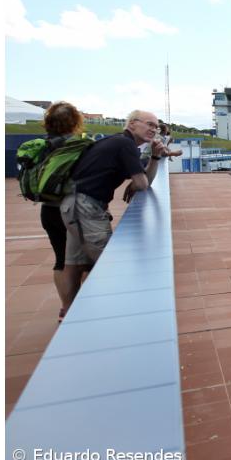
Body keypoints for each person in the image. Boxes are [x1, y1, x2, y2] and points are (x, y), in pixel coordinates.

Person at [57, 110, 170, 317]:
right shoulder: (126, 144)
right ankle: (112, 316)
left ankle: (72, 314)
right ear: (132, 124)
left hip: (74, 206)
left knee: (74, 264)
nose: (154, 129)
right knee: (110, 265)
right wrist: (154, 158)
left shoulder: (118, 142)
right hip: (85, 209)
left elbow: (139, 182)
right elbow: (143, 183)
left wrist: (142, 174)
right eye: (149, 124)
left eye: (156, 126)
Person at [38, 101, 85, 322]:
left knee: (60, 259)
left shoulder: (39, 145)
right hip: (74, 210)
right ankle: (81, 306)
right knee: (80, 260)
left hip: (48, 210)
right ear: (76, 122)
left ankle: (66, 307)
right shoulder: (80, 146)